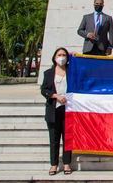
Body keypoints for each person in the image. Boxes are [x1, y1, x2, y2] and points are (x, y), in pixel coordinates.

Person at [40, 47, 73, 175]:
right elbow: (44, 90)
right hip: (53, 110)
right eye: (59, 55)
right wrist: (55, 96)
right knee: (54, 139)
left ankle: (66, 164)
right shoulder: (48, 73)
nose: (62, 57)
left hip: (68, 110)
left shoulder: (71, 71)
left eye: (64, 55)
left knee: (67, 139)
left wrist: (74, 55)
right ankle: (54, 165)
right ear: (54, 57)